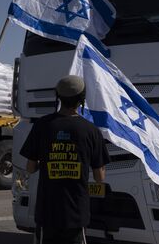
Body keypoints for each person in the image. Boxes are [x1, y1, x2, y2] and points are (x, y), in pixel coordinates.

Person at [20, 75, 110, 244]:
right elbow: (100, 177)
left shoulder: (42, 125)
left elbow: (30, 168)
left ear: (59, 97)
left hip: (47, 213)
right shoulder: (91, 131)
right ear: (81, 100)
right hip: (75, 214)